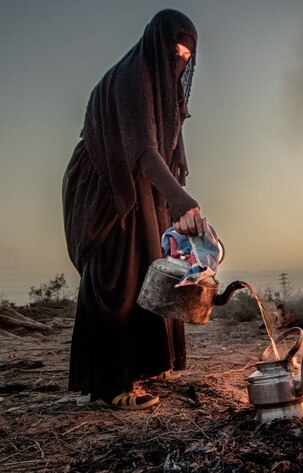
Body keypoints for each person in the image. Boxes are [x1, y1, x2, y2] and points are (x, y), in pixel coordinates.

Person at [62, 10, 204, 410]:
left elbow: (166, 149)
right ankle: (110, 385)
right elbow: (142, 149)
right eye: (173, 49)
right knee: (116, 277)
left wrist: (175, 197)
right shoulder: (133, 78)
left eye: (185, 54)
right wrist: (181, 202)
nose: (178, 58)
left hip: (140, 182)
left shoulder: (169, 91)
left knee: (149, 265)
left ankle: (139, 367)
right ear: (155, 44)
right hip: (106, 185)